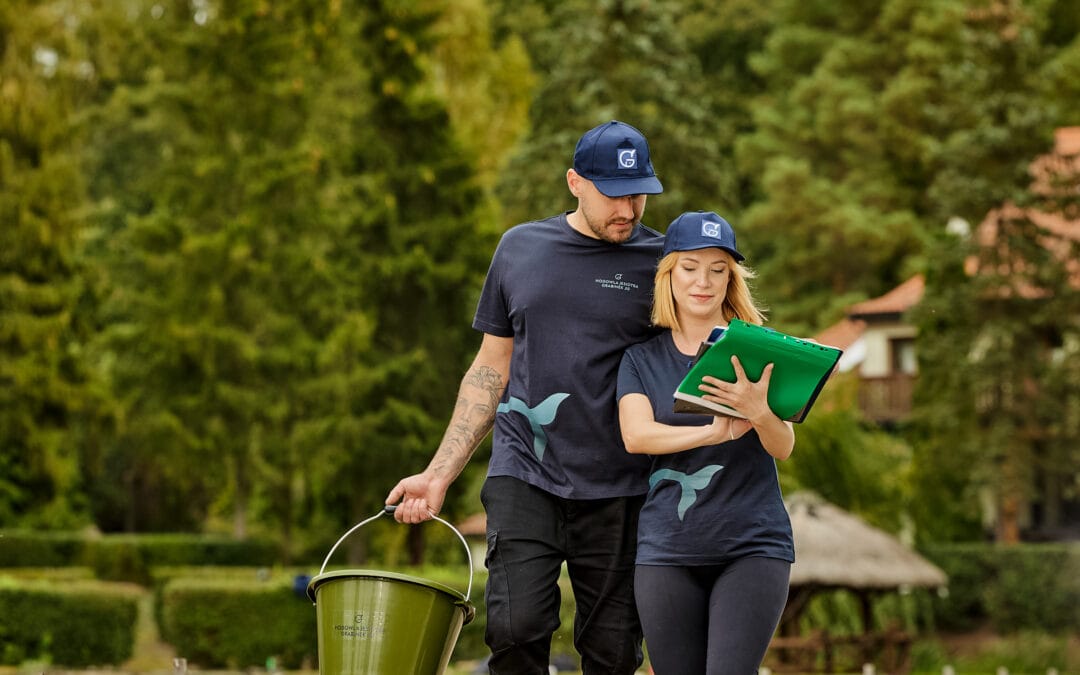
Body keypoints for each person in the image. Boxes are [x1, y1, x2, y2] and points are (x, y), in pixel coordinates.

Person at [386, 120, 665, 674]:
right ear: (575, 182)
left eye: (639, 195)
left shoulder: (662, 265)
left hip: (622, 483)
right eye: (614, 194)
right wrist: (439, 474)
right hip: (525, 470)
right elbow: (492, 367)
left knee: (613, 653)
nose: (629, 211)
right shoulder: (520, 249)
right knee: (515, 630)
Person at [616, 210, 795, 675]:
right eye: (691, 268)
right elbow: (636, 436)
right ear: (668, 275)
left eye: (718, 270)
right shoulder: (640, 358)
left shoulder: (758, 348)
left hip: (753, 546)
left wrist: (759, 412)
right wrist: (713, 432)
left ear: (731, 279)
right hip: (667, 551)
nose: (704, 282)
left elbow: (783, 446)